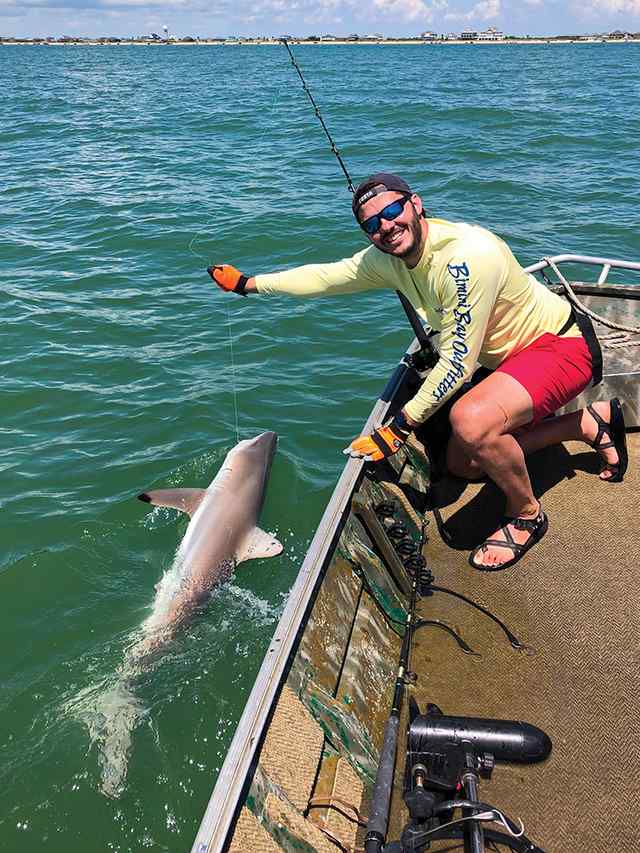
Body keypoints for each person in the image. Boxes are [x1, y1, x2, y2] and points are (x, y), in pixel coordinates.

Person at [207, 173, 628, 570]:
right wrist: (250, 284)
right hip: (509, 361)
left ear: (416, 204)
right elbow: (326, 277)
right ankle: (588, 424)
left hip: (561, 347)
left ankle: (526, 514)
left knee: (471, 422)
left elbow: (458, 362)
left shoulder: (466, 257)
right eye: (372, 223)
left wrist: (401, 425)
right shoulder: (386, 260)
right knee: (466, 465)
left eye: (393, 212)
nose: (386, 227)